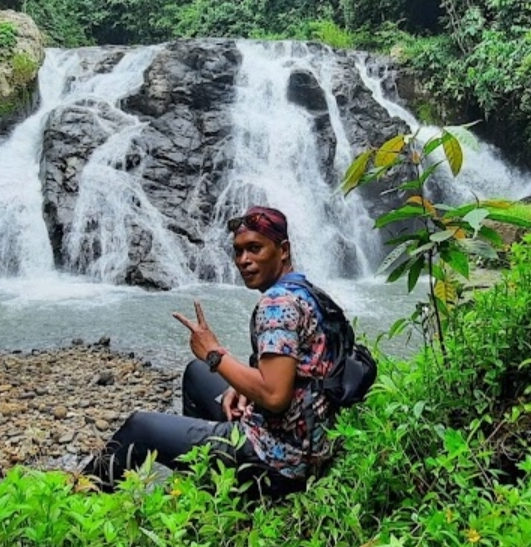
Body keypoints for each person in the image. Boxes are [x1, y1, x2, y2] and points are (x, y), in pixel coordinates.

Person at [82, 206, 344, 498]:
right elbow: (296, 375)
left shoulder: (277, 304)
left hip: (279, 461)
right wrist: (244, 387)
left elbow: (274, 396)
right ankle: (203, 484)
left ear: (283, 250)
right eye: (238, 251)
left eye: (255, 249)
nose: (244, 260)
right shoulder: (305, 290)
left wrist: (215, 355)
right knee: (197, 375)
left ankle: (74, 506)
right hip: (309, 440)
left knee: (139, 428)